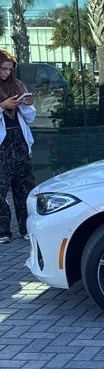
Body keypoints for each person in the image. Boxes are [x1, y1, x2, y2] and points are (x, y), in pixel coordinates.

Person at [0, 49, 37, 243]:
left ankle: (26, 228)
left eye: (9, 69)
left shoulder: (18, 85)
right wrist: (2, 106)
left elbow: (30, 118)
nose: (6, 73)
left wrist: (26, 104)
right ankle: (3, 231)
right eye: (3, 68)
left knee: (24, 186)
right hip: (2, 143)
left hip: (19, 140)